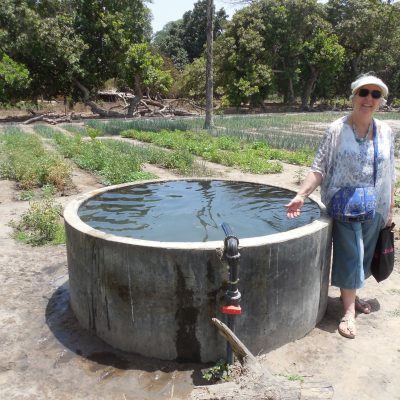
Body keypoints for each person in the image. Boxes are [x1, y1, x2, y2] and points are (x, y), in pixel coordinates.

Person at [285, 74, 395, 339]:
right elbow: (319, 168)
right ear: (354, 96)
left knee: (366, 255)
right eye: (364, 93)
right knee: (351, 255)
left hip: (375, 206)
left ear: (380, 101)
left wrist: (390, 208)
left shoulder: (387, 132)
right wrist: (302, 193)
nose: (369, 99)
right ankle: (348, 312)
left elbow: (391, 172)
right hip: (344, 205)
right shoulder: (336, 130)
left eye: (375, 94)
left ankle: (352, 296)